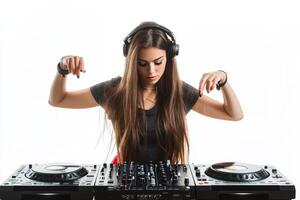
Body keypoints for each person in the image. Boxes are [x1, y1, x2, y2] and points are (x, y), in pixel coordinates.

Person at [49, 21, 243, 164]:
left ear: (170, 57)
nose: (151, 71)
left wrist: (223, 79)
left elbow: (234, 114)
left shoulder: (180, 92)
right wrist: (62, 68)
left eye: (158, 62)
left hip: (171, 181)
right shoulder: (114, 91)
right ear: (132, 60)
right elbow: (58, 99)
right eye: (142, 64)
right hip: (124, 180)